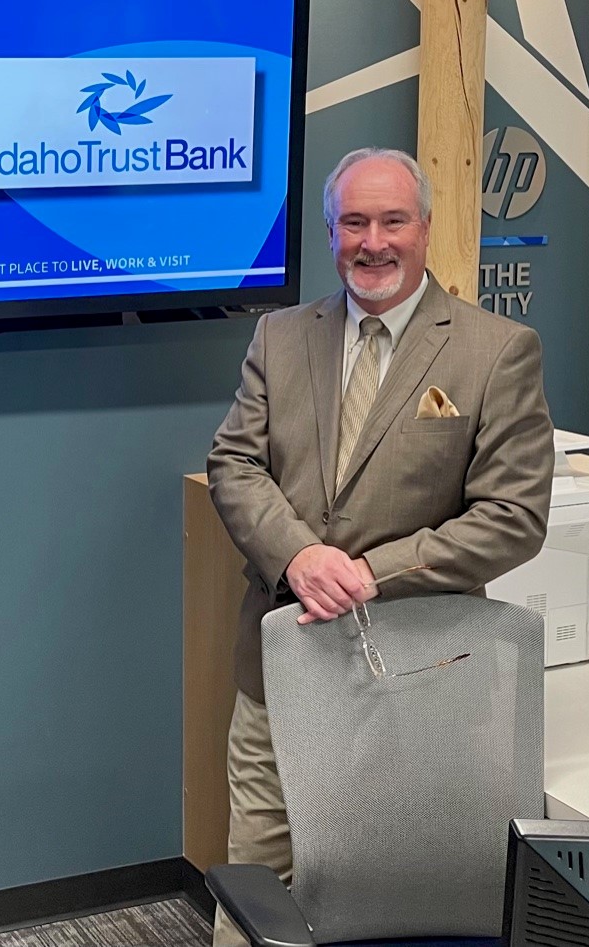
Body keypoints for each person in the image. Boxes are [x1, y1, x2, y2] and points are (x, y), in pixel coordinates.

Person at [205, 147, 554, 945]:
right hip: (279, 674)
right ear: (331, 232)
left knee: (392, 908)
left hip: (417, 685)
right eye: (353, 222)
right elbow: (235, 461)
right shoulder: (281, 335)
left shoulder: (495, 350)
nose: (373, 241)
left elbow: (512, 515)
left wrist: (366, 574)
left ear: (425, 227)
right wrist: (296, 555)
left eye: (393, 220)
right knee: (256, 892)